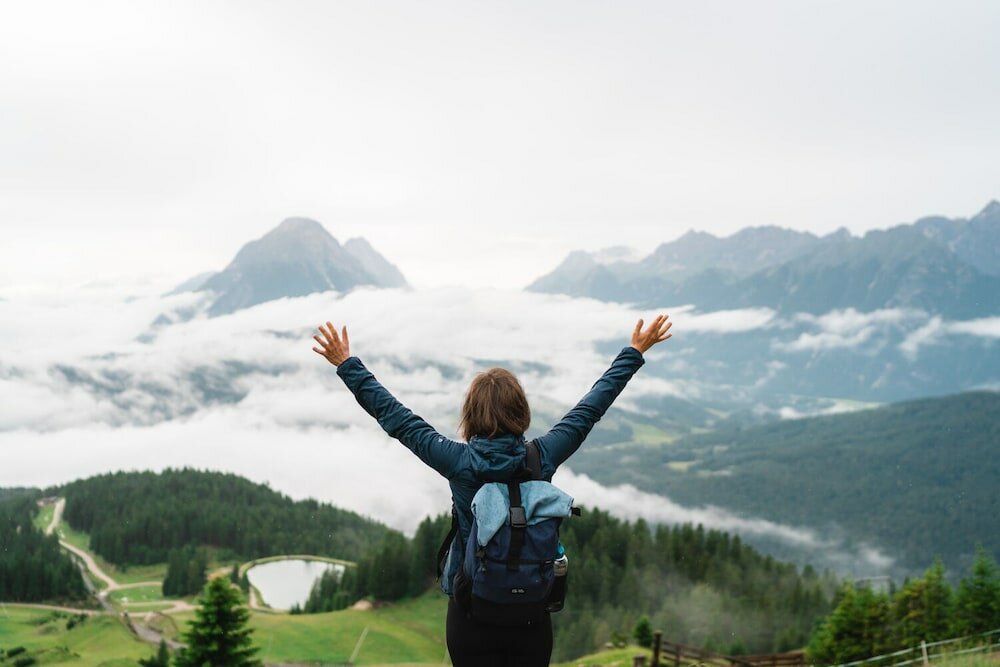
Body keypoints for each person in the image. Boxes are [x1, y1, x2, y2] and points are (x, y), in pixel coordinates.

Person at [311, 314, 672, 666]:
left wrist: (346, 364)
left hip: (471, 613)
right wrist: (634, 352)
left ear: (470, 414)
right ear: (521, 411)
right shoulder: (543, 457)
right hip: (531, 613)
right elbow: (590, 409)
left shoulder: (458, 462)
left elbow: (397, 418)